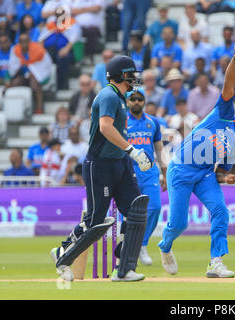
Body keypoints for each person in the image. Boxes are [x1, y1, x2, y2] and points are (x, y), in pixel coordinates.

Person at [158, 35, 235, 278]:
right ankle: (165, 246)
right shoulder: (224, 112)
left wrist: (225, 177)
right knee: (179, 224)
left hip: (205, 175)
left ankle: (215, 262)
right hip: (182, 170)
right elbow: (229, 82)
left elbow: (219, 172)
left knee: (221, 212)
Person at [50, 55, 153, 282]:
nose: (133, 78)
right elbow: (106, 128)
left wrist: (127, 156)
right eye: (130, 74)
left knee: (136, 211)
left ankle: (124, 268)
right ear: (120, 75)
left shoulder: (118, 97)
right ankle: (63, 252)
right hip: (100, 165)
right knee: (96, 220)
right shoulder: (108, 95)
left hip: (120, 163)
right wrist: (133, 151)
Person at [125, 88, 168, 266]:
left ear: (144, 101)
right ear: (127, 102)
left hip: (149, 171)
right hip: (128, 170)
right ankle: (127, 246)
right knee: (128, 211)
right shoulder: (122, 121)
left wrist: (165, 172)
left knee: (155, 207)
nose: (136, 102)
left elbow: (159, 149)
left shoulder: (153, 122)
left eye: (139, 99)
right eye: (132, 99)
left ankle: (141, 244)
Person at [7, 32, 52, 114]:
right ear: (19, 42)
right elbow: (13, 66)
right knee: (14, 83)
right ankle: (17, 110)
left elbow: (46, 64)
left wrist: (34, 73)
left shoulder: (38, 49)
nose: (24, 42)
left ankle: (39, 108)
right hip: (22, 75)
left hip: (37, 75)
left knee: (35, 85)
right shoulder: (15, 50)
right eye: (21, 40)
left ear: (30, 41)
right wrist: (19, 67)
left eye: (26, 40)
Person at [71, 0, 104, 64]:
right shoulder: (77, 1)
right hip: (79, 28)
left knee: (91, 32)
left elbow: (97, 8)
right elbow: (73, 11)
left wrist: (81, 10)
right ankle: (77, 58)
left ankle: (89, 56)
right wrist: (89, 9)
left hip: (94, 28)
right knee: (73, 33)